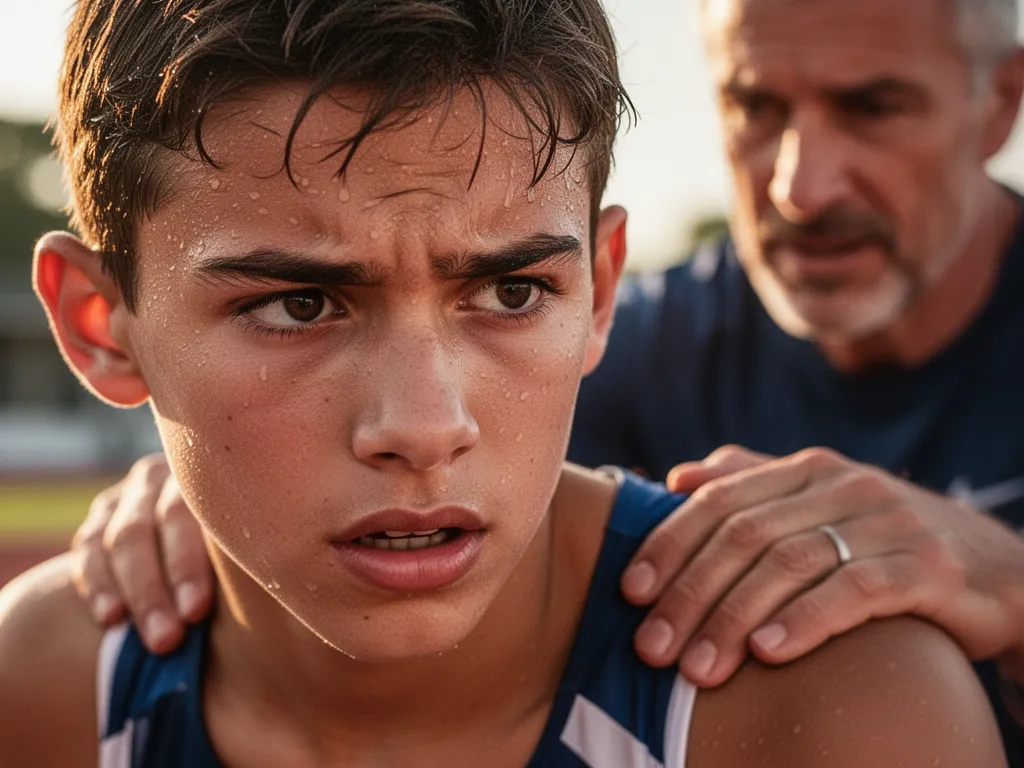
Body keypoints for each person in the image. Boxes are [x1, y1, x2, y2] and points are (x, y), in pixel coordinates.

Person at [3, 0, 1007, 766]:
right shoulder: (45, 686)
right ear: (100, 327)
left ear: (598, 292)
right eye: (299, 306)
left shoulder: (842, 707)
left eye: (513, 291)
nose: (425, 426)